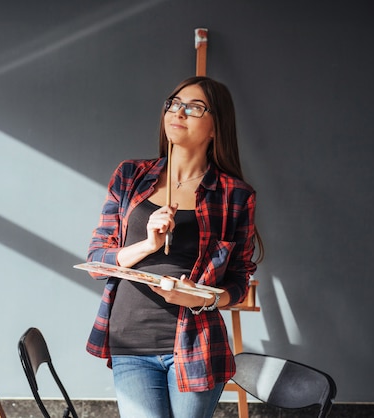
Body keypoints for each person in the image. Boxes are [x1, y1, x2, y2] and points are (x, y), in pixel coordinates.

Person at [85, 76, 264, 418]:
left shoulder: (235, 195)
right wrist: (147, 244)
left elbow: (238, 283)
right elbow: (96, 260)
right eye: (173, 103)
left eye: (194, 107)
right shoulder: (130, 176)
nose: (177, 112)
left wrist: (202, 298)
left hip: (196, 345)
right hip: (131, 340)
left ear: (215, 127)